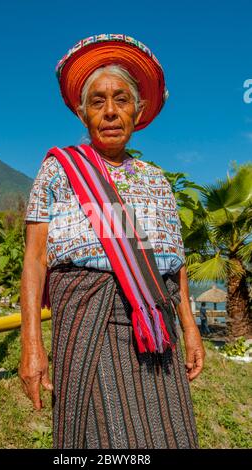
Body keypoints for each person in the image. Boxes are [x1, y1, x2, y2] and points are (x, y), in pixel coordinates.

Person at [19, 34, 205, 449]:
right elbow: (34, 260)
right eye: (98, 101)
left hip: (155, 323)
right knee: (101, 436)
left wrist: (191, 329)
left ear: (138, 112)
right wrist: (31, 343)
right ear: (82, 112)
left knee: (168, 433)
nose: (109, 112)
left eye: (121, 100)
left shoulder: (156, 181)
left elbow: (176, 264)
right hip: (88, 316)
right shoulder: (59, 170)